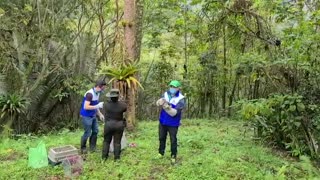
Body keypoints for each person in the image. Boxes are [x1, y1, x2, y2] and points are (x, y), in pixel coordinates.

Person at [156, 80, 185, 164]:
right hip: (163, 121)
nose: (172, 88)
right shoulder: (165, 94)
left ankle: (173, 155)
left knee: (173, 140)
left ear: (178, 88)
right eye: (171, 86)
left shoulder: (181, 99)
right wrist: (159, 102)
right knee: (161, 138)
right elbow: (159, 102)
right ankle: (160, 153)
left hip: (173, 123)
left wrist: (166, 106)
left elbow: (174, 113)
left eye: (174, 87)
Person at [80, 80, 106, 154]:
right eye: (102, 88)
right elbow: (86, 107)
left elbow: (95, 105)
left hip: (93, 115)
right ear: (98, 87)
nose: (103, 90)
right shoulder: (89, 94)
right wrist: (97, 106)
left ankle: (92, 147)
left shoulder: (97, 93)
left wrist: (100, 114)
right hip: (86, 116)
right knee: (87, 132)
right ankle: (83, 148)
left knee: (95, 131)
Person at [102, 89, 127, 161]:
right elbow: (125, 109)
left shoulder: (105, 105)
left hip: (108, 125)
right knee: (117, 142)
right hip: (119, 125)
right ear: (118, 96)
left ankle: (104, 158)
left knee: (106, 141)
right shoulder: (123, 105)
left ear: (110, 96)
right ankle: (117, 158)